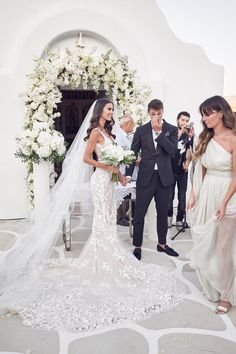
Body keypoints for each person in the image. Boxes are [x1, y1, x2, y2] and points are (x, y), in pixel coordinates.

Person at [0, 98, 186, 332]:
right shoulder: (95, 133)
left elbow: (121, 157)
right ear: (100, 111)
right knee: (103, 219)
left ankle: (110, 252)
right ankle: (101, 257)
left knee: (108, 218)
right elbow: (87, 158)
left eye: (112, 110)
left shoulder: (107, 133)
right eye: (109, 109)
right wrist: (108, 167)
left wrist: (119, 171)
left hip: (110, 181)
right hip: (100, 180)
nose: (112, 112)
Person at [187, 95, 236, 315]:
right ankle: (214, 284)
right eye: (203, 114)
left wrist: (225, 202)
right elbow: (200, 169)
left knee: (224, 246)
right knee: (206, 240)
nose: (204, 118)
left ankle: (226, 295)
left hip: (228, 192)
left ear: (221, 113)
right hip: (207, 191)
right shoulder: (203, 138)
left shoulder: (234, 139)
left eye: (208, 113)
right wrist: (193, 195)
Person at [126, 99, 179, 260]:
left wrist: (160, 133)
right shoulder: (141, 130)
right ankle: (137, 246)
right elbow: (132, 152)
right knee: (139, 214)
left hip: (164, 178)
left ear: (163, 111)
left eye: (159, 113)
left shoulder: (171, 129)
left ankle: (162, 244)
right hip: (145, 177)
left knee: (162, 213)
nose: (156, 116)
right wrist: (128, 173)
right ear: (148, 113)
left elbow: (172, 152)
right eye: (153, 114)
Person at [168, 111, 194, 230]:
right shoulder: (172, 131)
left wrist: (188, 162)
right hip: (170, 169)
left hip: (182, 171)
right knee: (169, 196)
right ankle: (168, 219)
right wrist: (180, 133)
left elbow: (191, 150)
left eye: (187, 121)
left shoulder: (190, 134)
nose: (185, 123)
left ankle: (179, 219)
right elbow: (169, 147)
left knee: (182, 197)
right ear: (177, 120)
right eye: (183, 120)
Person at [115, 115, 135, 226]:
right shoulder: (119, 136)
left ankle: (124, 214)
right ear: (127, 124)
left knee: (127, 193)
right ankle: (120, 217)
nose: (133, 126)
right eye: (132, 124)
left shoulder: (127, 136)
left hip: (128, 169)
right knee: (121, 193)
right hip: (122, 169)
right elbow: (118, 153)